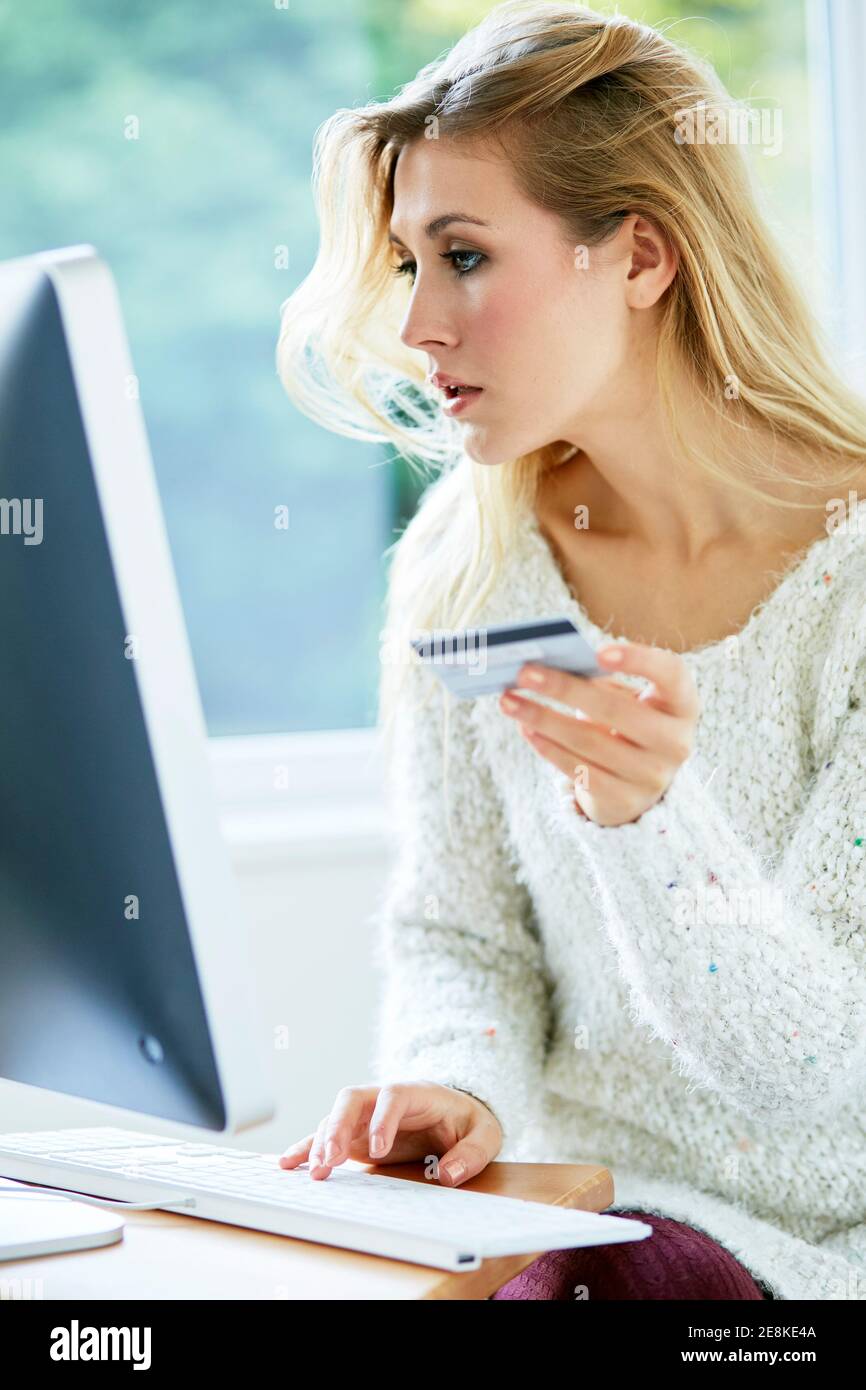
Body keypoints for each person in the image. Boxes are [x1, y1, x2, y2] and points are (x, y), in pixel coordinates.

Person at [275, 1, 866, 1300]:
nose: (418, 323)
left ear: (640, 256)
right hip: (574, 1220)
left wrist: (649, 817)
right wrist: (450, 1080)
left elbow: (821, 1082)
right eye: (404, 264)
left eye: (464, 256)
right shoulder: (463, 560)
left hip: (809, 1261)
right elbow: (460, 933)